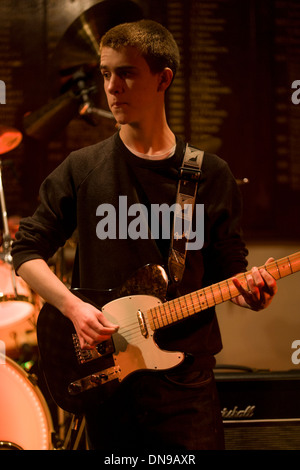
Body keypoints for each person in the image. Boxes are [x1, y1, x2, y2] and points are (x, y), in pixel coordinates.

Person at [12, 19, 277, 451]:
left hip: (185, 388)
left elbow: (233, 272)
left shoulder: (210, 175)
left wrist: (252, 294)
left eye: (126, 72)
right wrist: (74, 309)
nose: (112, 87)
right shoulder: (82, 168)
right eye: (105, 73)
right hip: (108, 380)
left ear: (163, 78)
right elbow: (26, 250)